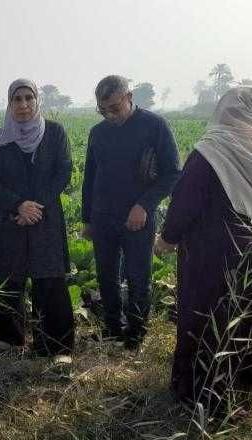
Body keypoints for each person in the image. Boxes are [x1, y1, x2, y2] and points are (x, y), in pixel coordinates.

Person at [156, 87, 252, 410]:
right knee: (241, 317)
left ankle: (200, 395)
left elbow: (185, 200)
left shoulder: (210, 152)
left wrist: (167, 239)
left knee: (204, 317)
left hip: (209, 255)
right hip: (248, 256)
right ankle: (240, 387)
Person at [81, 75, 180, 349]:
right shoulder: (97, 133)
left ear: (129, 97)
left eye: (115, 107)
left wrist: (143, 205)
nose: (110, 115)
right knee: (106, 275)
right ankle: (112, 328)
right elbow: (90, 178)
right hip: (103, 216)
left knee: (138, 277)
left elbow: (172, 173)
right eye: (104, 110)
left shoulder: (154, 126)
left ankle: (136, 334)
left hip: (138, 217)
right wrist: (87, 218)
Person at [0, 79, 74, 356]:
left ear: (37, 101)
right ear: (9, 104)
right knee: (11, 279)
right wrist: (19, 206)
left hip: (45, 218)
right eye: (16, 99)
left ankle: (56, 346)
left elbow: (63, 173)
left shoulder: (55, 133)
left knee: (50, 280)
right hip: (9, 219)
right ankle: (10, 338)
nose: (22, 104)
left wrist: (35, 207)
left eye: (28, 98)